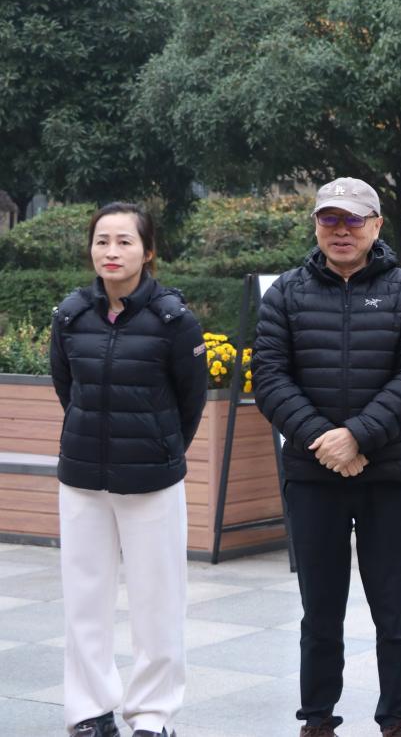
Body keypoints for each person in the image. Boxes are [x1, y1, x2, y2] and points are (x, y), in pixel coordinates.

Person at [252, 177, 401, 737]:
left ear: (376, 225)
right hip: (312, 476)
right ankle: (317, 718)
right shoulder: (285, 294)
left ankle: (398, 718)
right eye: (329, 218)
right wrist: (326, 441)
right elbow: (270, 378)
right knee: (320, 610)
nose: (341, 230)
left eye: (353, 219)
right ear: (315, 225)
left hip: (387, 473)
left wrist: (357, 436)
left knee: (392, 608)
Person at [50, 202, 207, 737]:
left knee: (157, 602)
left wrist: (160, 447)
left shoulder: (174, 320)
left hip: (151, 481)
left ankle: (153, 716)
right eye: (102, 241)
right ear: (90, 249)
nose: (111, 252)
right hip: (82, 479)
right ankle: (89, 711)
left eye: (124, 241)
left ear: (148, 251)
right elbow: (68, 389)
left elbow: (190, 401)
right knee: (84, 601)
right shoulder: (70, 316)